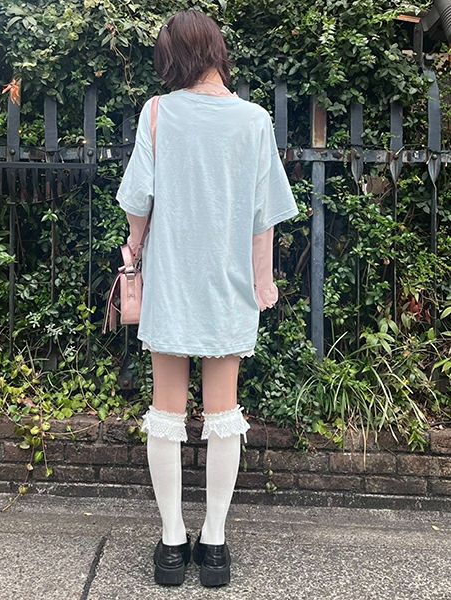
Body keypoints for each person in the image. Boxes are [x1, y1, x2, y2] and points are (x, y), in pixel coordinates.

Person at [115, 8, 299, 588]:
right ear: (216, 51)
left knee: (165, 411)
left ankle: (173, 543)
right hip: (227, 284)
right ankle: (214, 544)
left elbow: (138, 203)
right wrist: (263, 281)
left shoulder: (157, 113)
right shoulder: (254, 121)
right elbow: (264, 217)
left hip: (171, 280)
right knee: (224, 414)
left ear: (175, 57)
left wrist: (133, 249)